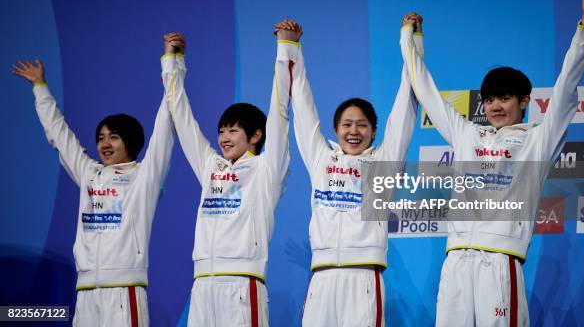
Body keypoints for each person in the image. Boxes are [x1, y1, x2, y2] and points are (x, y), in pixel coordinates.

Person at [400, 0, 584, 326]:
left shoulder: (538, 139)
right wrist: (412, 40)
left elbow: (567, 87)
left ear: (525, 101)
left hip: (500, 260)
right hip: (455, 260)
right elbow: (427, 92)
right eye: (490, 99)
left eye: (504, 98)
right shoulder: (466, 133)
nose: (495, 106)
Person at [12, 43, 176, 326]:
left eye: (113, 137)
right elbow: (60, 137)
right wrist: (40, 88)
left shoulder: (144, 177)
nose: (104, 143)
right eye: (101, 137)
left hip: (124, 292)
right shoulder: (90, 174)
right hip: (86, 293)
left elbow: (165, 128)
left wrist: (172, 68)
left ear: (130, 142)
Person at [274, 17, 420, 326]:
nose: (354, 131)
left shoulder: (384, 162)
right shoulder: (321, 158)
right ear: (336, 129)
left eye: (362, 125)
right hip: (322, 278)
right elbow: (302, 107)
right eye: (347, 125)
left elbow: (406, 107)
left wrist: (412, 43)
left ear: (374, 132)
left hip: (364, 276)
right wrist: (290, 49)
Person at [160, 25, 294, 326]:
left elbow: (280, 113)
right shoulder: (211, 167)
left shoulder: (266, 170)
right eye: (221, 131)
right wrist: (173, 63)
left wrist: (285, 50)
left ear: (256, 135)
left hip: (242, 285)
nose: (224, 138)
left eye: (233, 130)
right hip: (202, 284)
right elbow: (183, 120)